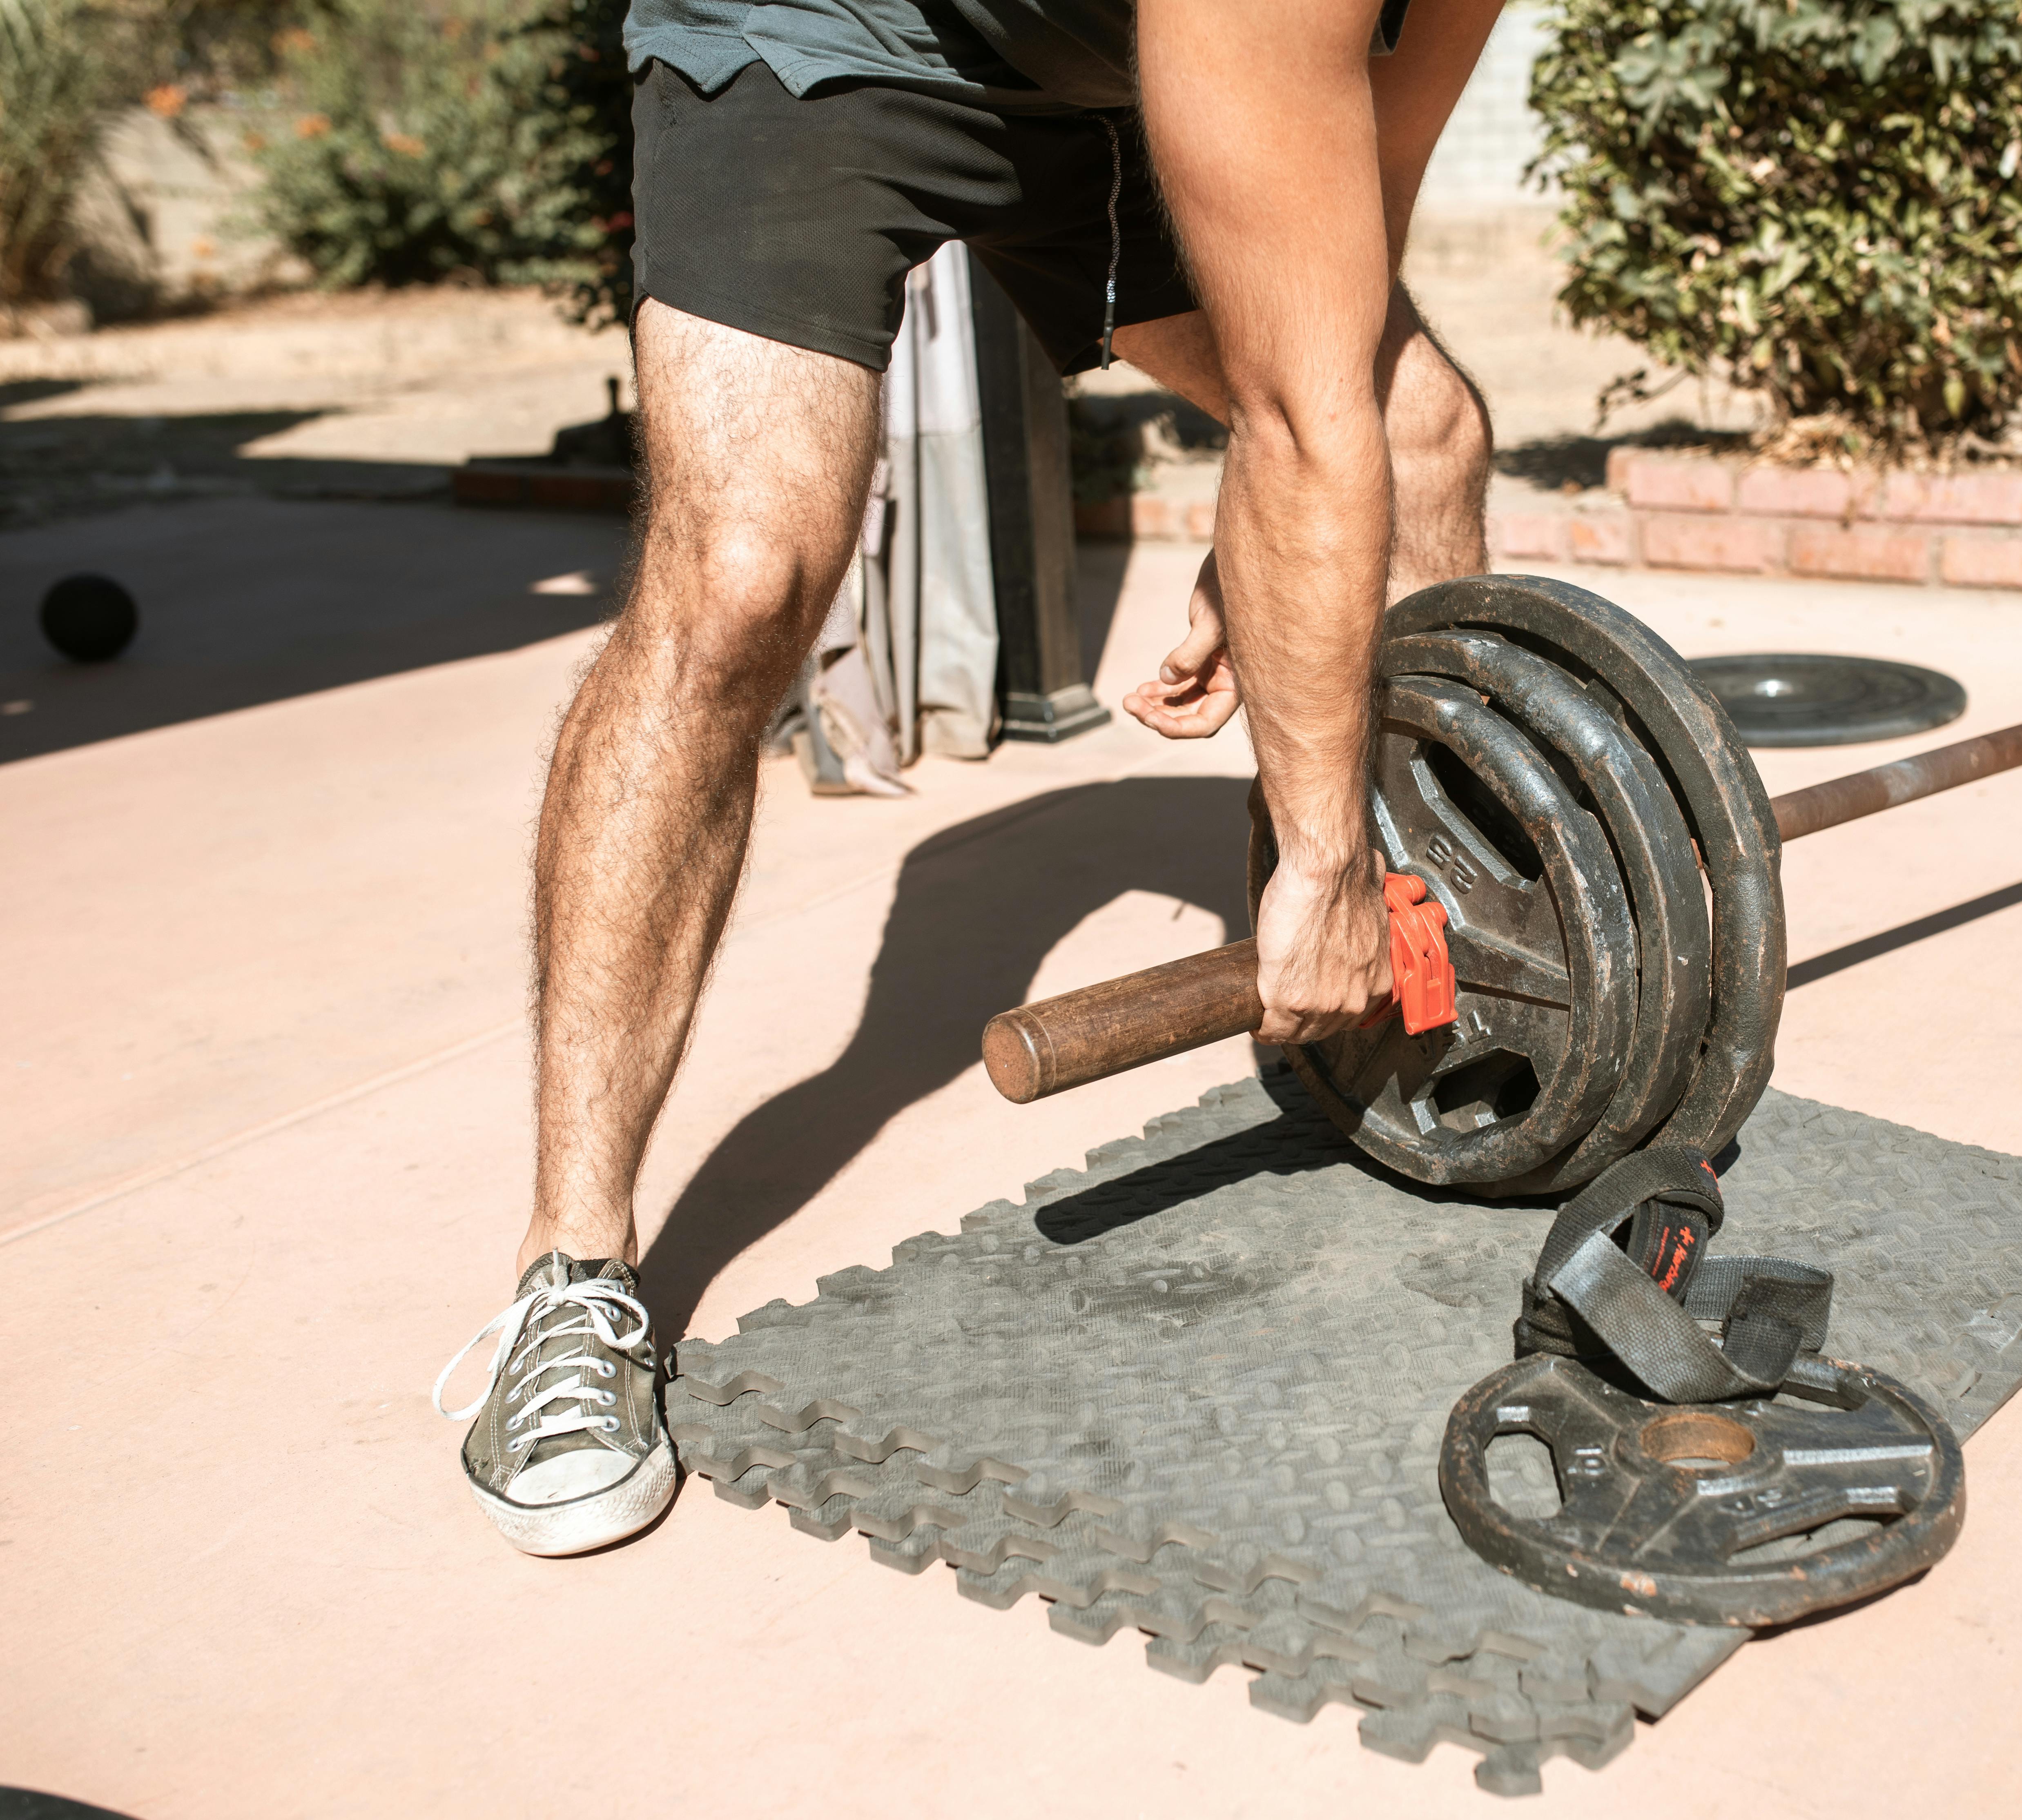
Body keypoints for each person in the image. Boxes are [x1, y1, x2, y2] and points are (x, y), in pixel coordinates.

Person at [431, 0, 1507, 1554]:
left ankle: (1416, 1007)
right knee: (740, 576)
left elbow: (1321, 321)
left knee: (1416, 437)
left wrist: (1272, 530)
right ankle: (570, 1273)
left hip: (1114, 61)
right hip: (821, 27)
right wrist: (1318, 854)